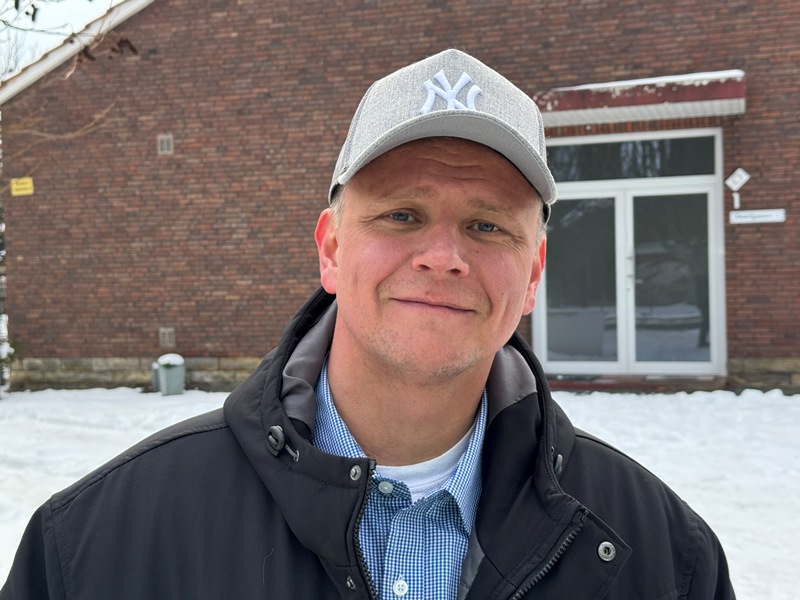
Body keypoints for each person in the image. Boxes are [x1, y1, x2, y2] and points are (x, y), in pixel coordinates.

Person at [1, 49, 734, 599]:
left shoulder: (667, 560)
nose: (444, 256)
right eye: (402, 215)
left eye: (486, 225)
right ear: (330, 249)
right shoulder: (97, 545)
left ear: (533, 273)